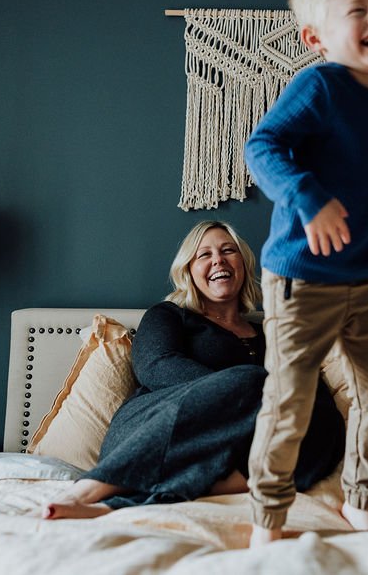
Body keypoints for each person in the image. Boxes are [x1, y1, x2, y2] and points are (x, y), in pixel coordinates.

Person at [243, 0, 368, 545]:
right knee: (290, 400)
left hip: (362, 279)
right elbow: (262, 146)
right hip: (301, 279)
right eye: (357, 10)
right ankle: (268, 516)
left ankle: (362, 498)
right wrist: (308, 197)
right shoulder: (318, 87)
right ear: (316, 38)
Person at [44, 220, 343, 520]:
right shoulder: (169, 315)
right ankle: (89, 488)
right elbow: (155, 366)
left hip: (237, 446)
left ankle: (133, 501)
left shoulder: (272, 333)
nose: (218, 260)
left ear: (243, 264)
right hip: (154, 430)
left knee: (323, 417)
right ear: (188, 271)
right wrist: (240, 391)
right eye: (204, 255)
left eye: (228, 250)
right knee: (258, 381)